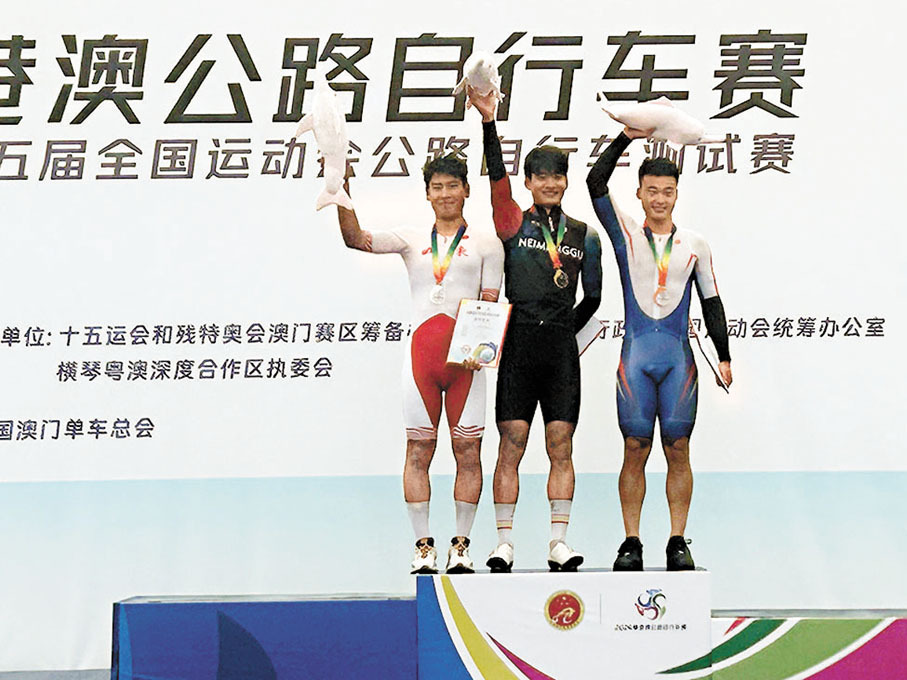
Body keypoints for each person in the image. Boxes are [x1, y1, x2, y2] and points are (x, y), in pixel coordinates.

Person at [336, 154, 504, 574]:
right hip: (421, 363)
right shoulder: (411, 239)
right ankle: (423, 545)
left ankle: (461, 545)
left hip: (465, 365)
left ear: (466, 190)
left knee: (468, 450)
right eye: (437, 187)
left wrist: (478, 350)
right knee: (418, 449)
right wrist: (342, 189)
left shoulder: (487, 243)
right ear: (427, 194)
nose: (445, 194)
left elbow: (489, 303)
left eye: (453, 186)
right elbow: (355, 238)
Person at [586, 127, 733, 571]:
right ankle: (631, 541)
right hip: (636, 358)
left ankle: (677, 540)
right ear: (639, 193)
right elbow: (595, 182)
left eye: (667, 192)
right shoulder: (626, 235)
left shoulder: (695, 245)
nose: (660, 199)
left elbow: (711, 301)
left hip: (677, 361)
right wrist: (625, 137)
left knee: (678, 447)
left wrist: (724, 356)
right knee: (634, 447)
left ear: (676, 195)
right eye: (652, 191)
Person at [468, 87, 602, 573]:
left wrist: (563, 332)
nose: (549, 183)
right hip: (519, 345)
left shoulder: (584, 235)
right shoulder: (512, 223)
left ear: (566, 181)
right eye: (540, 175)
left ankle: (558, 542)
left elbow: (594, 298)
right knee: (512, 442)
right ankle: (503, 543)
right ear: (528, 181)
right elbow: (496, 181)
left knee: (561, 444)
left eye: (557, 175)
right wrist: (489, 122)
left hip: (560, 351)